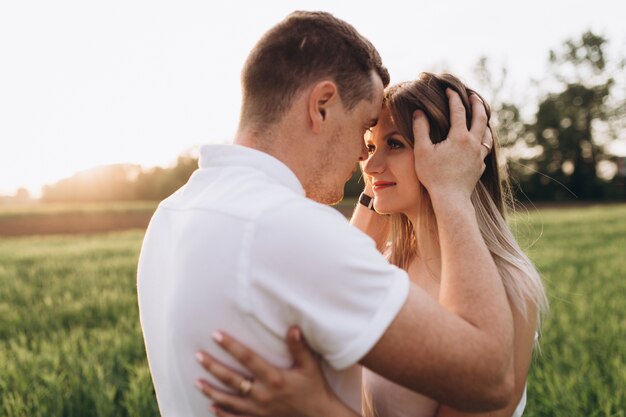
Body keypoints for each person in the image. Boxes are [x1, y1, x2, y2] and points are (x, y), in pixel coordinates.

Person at [137, 11, 515, 417]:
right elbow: (491, 380)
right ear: (321, 106)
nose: (363, 158)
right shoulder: (292, 230)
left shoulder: (171, 214)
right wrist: (452, 192)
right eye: (364, 128)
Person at [193, 73, 549, 417]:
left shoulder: (508, 289)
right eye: (369, 147)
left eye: (395, 144)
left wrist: (317, 410)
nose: (371, 165)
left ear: (448, 155)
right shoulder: (386, 265)